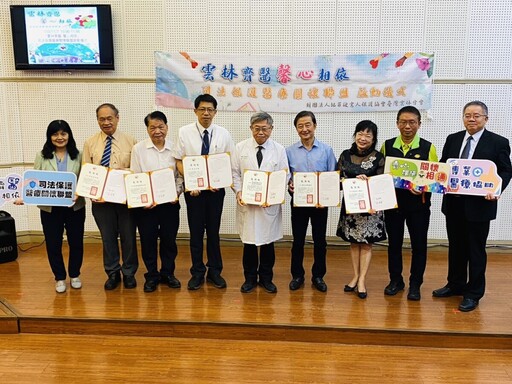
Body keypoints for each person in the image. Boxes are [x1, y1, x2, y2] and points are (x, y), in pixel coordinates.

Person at [433, 101, 512, 312]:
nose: (471, 119)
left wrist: (496, 189)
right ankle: (455, 284)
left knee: (476, 250)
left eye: (477, 116)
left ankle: (473, 293)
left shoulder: (498, 142)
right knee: (456, 247)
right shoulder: (453, 139)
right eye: (467, 115)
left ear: (486, 118)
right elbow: (444, 166)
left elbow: (505, 170)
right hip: (454, 204)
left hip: (480, 206)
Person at [173, 94, 236, 290]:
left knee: (214, 233)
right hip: (194, 193)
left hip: (216, 192)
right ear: (195, 111)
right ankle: (197, 272)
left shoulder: (223, 134)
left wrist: (224, 181)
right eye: (202, 109)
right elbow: (178, 161)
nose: (206, 113)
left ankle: (215, 272)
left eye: (210, 110)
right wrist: (191, 183)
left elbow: (229, 163)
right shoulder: (184, 132)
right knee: (196, 233)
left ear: (215, 112)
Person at [16, 120, 86, 293]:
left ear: (69, 135)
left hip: (74, 207)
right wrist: (25, 196)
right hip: (50, 209)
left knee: (76, 242)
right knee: (53, 244)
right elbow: (34, 181)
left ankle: (75, 274)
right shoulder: (41, 155)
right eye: (55, 134)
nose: (59, 137)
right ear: (49, 137)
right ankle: (60, 278)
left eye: (63, 133)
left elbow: (85, 180)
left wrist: (80, 191)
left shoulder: (79, 155)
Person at [381, 106, 438, 301]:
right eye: (403, 122)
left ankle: (415, 284)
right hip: (393, 205)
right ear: (397, 123)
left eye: (412, 122)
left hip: (418, 207)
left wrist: (424, 187)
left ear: (419, 124)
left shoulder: (428, 147)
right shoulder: (387, 146)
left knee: (419, 246)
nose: (407, 126)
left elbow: (435, 178)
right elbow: (381, 174)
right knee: (394, 244)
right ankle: (396, 280)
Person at [83, 103, 138, 290]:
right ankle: (112, 272)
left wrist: (126, 172)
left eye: (109, 118)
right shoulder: (90, 143)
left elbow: (138, 171)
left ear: (117, 118)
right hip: (101, 202)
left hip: (125, 200)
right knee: (107, 238)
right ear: (97, 120)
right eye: (102, 119)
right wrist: (91, 192)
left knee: (128, 237)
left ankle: (129, 272)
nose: (106, 122)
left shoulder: (132, 141)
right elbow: (86, 172)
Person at [232, 112, 289, 294]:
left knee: (267, 244)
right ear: (251, 129)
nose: (261, 132)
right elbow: (234, 173)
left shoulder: (279, 150)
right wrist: (239, 192)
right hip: (247, 205)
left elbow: (284, 175)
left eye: (265, 128)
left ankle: (266, 279)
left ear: (271, 129)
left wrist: (272, 196)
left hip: (268, 207)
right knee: (249, 244)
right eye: (257, 129)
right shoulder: (240, 148)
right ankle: (249, 279)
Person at [130, 111, 183, 293]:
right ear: (147, 129)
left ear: (167, 127)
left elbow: (180, 177)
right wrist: (144, 199)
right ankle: (151, 275)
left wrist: (175, 193)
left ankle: (168, 273)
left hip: (170, 204)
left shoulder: (175, 148)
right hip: (146, 208)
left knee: (169, 240)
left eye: (161, 127)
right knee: (148, 241)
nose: (157, 131)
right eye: (153, 127)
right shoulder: (138, 149)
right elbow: (135, 177)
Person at [286, 111, 337, 292]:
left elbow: (333, 178)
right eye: (300, 126)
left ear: (315, 126)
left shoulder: (326, 150)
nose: (304, 129)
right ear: (296, 129)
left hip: (320, 205)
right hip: (298, 203)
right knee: (297, 241)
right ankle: (297, 275)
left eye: (308, 125)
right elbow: (286, 178)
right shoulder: (289, 151)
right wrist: (289, 185)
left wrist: (328, 194)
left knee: (320, 241)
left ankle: (318, 276)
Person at [337, 120, 386, 299]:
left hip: (370, 208)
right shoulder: (345, 155)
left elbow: (382, 184)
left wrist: (368, 182)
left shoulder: (379, 157)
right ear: (355, 135)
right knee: (353, 243)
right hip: (351, 208)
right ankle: (355, 275)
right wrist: (346, 182)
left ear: (373, 139)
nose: (363, 138)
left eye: (368, 135)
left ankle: (362, 279)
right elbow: (338, 180)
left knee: (366, 243)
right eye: (360, 133)